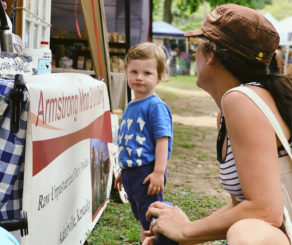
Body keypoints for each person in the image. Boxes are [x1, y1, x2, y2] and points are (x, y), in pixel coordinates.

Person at [143, 4, 292, 245]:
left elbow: (265, 211)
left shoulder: (242, 100)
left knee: (246, 234)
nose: (194, 54)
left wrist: (185, 232)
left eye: (197, 45)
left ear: (211, 54)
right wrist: (185, 230)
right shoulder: (229, 110)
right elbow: (245, 205)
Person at [114, 42, 176, 244]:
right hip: (133, 172)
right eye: (134, 71)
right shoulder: (133, 105)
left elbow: (162, 141)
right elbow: (133, 142)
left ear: (159, 77)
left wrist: (158, 172)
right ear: (126, 73)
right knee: (143, 217)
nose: (139, 77)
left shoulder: (155, 106)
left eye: (147, 73)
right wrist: (125, 170)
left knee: (151, 219)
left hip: (148, 172)